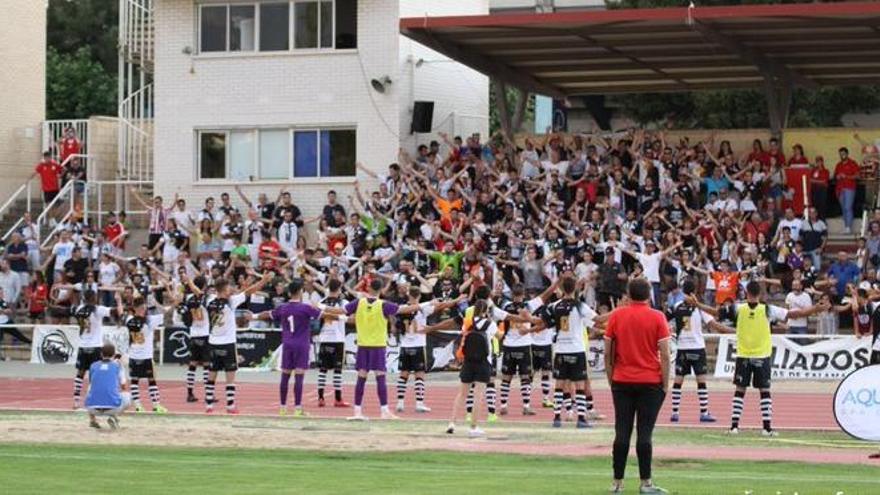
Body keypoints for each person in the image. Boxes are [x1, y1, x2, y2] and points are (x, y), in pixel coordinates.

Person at [604, 278, 671, 494]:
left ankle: (617, 483)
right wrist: (665, 383)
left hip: (622, 380)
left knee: (621, 431)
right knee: (645, 433)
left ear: (629, 294)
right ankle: (645, 483)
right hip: (650, 381)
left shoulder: (617, 315)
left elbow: (608, 352)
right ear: (648, 294)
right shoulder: (657, 317)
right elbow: (665, 354)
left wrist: (611, 377)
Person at [255, 278, 345, 417]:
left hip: (288, 344)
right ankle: (297, 408)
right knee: (299, 376)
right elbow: (325, 316)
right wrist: (344, 318)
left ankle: (283, 408)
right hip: (302, 345)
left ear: (289, 292)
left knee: (285, 376)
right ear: (301, 291)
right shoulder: (306, 307)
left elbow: (267, 314)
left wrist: (254, 317)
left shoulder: (283, 307)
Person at [344, 278, 420, 421]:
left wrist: (321, 308)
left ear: (369, 288)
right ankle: (384, 410)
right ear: (381, 290)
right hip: (378, 346)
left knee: (361, 378)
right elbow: (405, 309)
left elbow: (341, 311)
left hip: (362, 345)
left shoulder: (359, 302)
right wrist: (426, 304)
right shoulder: (383, 304)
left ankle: (357, 411)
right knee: (380, 378)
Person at [205, 272, 273, 414]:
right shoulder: (231, 301)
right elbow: (249, 292)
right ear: (224, 289)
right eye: (229, 287)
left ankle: (209, 405)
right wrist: (264, 280)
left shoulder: (209, 300)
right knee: (230, 376)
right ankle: (230, 406)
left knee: (212, 374)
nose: (231, 289)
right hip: (228, 343)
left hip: (213, 342)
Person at [672, 279, 734, 423]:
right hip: (697, 348)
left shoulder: (677, 306)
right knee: (701, 381)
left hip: (682, 347)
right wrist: (735, 331)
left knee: (678, 380)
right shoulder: (700, 309)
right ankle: (704, 412)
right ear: (695, 292)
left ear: (682, 292)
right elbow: (716, 323)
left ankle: (675, 412)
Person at [543, 276, 600, 429]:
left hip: (560, 349)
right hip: (577, 349)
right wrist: (618, 312)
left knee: (559, 384)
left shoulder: (554, 306)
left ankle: (556, 418)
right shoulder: (580, 306)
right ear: (575, 288)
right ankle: (581, 419)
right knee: (580, 384)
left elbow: (544, 322)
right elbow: (598, 320)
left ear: (561, 289)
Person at [396, 287, 461, 413]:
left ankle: (400, 403)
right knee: (419, 375)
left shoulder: (403, 307)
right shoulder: (423, 309)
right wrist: (457, 299)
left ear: (408, 294)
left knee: (403, 375)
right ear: (419, 295)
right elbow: (442, 305)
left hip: (405, 345)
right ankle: (419, 404)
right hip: (419, 345)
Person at [447, 300, 496, 437]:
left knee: (462, 394)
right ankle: (473, 427)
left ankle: (452, 423)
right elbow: (498, 336)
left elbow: (463, 336)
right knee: (478, 395)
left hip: (468, 361)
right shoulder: (490, 324)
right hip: (483, 362)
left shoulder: (467, 322)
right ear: (486, 311)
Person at [69, 290, 116, 409]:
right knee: (94, 374)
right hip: (95, 346)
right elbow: (113, 311)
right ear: (93, 298)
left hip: (83, 345)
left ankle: (76, 401)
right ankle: (92, 399)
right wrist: (120, 301)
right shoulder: (97, 310)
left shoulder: (79, 309)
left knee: (80, 373)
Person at [122, 296, 168, 414]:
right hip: (146, 357)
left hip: (133, 356)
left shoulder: (129, 320)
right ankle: (156, 405)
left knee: (134, 381)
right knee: (152, 381)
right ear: (143, 307)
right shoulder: (149, 321)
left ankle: (138, 406)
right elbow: (166, 313)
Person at [315, 279, 350, 408]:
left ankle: (320, 398)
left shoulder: (320, 303)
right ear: (339, 288)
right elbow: (348, 317)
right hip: (338, 339)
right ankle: (338, 399)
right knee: (337, 370)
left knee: (322, 370)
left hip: (324, 338)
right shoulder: (344, 303)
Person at [84, 343, 130, 430]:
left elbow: (91, 382)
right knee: (127, 396)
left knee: (90, 390)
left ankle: (92, 420)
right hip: (112, 408)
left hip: (92, 408)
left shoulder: (93, 366)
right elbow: (123, 386)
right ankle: (113, 417)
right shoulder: (118, 366)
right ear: (113, 355)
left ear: (101, 354)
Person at [834, 147, 860, 234]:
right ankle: (846, 227)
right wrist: (837, 177)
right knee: (843, 209)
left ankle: (848, 227)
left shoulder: (852, 163)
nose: (842, 155)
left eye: (843, 154)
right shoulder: (838, 165)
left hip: (849, 188)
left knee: (848, 207)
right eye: (840, 154)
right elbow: (835, 176)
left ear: (847, 154)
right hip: (840, 188)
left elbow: (857, 176)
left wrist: (846, 176)